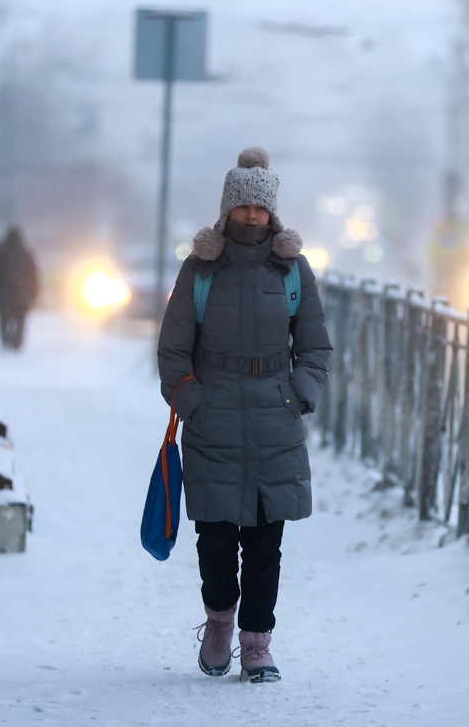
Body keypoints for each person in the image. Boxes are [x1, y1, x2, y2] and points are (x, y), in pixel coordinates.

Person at [156, 147, 332, 683]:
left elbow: (317, 347)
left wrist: (299, 394)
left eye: (260, 208)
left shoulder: (293, 269)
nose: (251, 216)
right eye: (243, 207)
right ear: (228, 209)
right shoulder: (200, 269)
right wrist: (194, 402)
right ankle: (218, 625)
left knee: (265, 543)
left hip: (275, 418)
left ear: (272, 212)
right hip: (214, 418)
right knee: (214, 537)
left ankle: (257, 644)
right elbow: (172, 350)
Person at [0, 225, 39, 350]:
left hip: (3, 295)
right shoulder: (26, 253)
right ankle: (17, 344)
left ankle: (5, 343)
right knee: (20, 320)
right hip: (22, 295)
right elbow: (33, 276)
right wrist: (33, 294)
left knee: (4, 319)